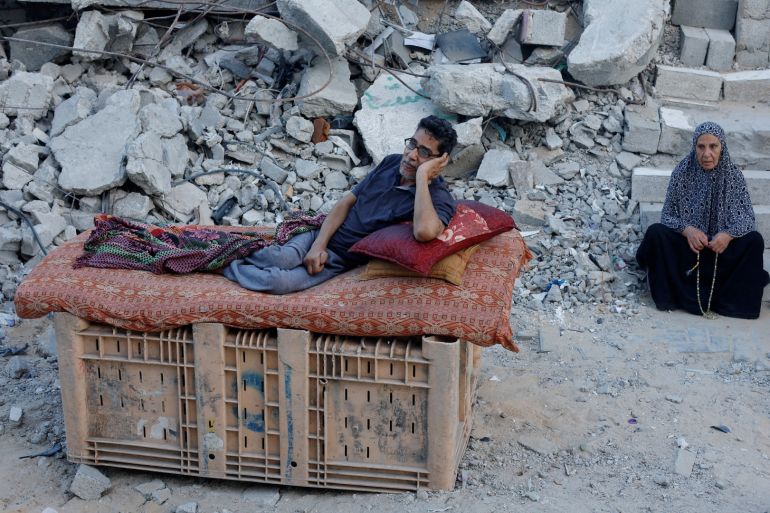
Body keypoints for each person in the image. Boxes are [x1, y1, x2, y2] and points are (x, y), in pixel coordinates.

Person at [223, 115, 458, 294]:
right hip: (321, 235)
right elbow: (346, 203)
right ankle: (222, 258)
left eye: (425, 152)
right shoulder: (390, 163)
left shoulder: (438, 197)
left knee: (278, 282)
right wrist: (318, 245)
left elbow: (424, 231)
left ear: (439, 161)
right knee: (281, 259)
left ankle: (228, 269)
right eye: (412, 144)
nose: (412, 155)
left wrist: (422, 177)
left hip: (341, 259)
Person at [636, 121, 769, 319]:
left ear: (721, 147)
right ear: (694, 147)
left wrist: (727, 235)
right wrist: (687, 230)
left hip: (720, 254)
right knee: (656, 233)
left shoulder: (733, 176)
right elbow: (668, 216)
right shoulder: (682, 173)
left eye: (713, 146)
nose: (707, 154)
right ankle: (671, 296)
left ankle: (729, 303)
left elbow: (747, 219)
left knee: (754, 241)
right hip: (690, 253)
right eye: (701, 146)